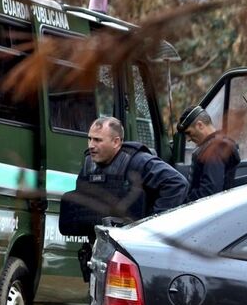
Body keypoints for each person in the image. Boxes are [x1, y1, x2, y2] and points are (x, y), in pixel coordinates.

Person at [60, 116, 188, 279]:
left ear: (116, 142)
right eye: (90, 139)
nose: (92, 145)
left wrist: (154, 223)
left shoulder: (138, 162)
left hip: (131, 254)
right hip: (99, 253)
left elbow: (177, 184)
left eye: (98, 140)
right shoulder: (89, 164)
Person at [177, 105, 241, 202]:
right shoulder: (215, 144)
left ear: (200, 125)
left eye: (189, 133)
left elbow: (209, 192)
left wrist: (184, 203)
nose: (189, 139)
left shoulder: (215, 148)